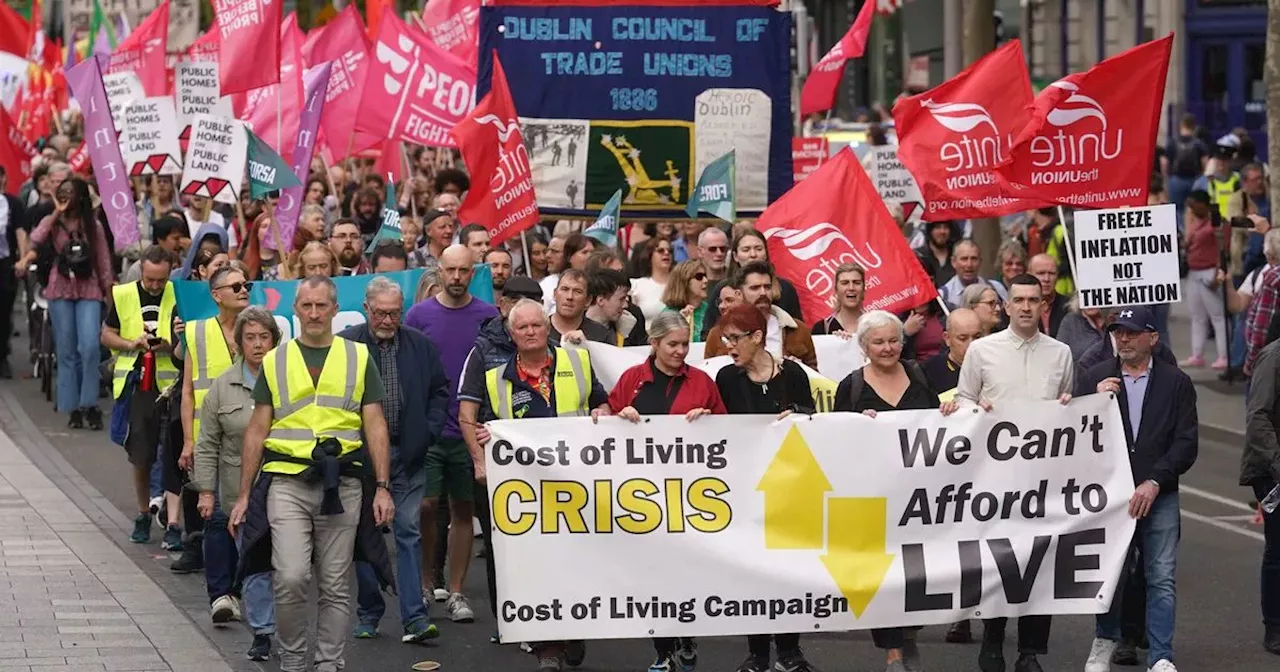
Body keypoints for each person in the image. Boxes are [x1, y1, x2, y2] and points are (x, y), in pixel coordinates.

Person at [228, 275, 395, 672]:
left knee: (336, 584)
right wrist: (244, 494)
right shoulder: (276, 360)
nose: (315, 313)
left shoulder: (357, 357)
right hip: (287, 481)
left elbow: (375, 424)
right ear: (296, 310)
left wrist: (383, 487)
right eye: (307, 306)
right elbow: (257, 430)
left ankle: (328, 663)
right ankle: (292, 660)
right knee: (290, 576)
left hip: (344, 483)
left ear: (335, 310)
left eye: (322, 306)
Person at [463, 298, 611, 672]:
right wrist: (482, 450)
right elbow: (474, 420)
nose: (531, 333)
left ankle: (574, 630)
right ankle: (549, 646)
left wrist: (601, 412)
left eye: (536, 326)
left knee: (575, 560)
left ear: (547, 327)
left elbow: (600, 401)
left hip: (577, 484)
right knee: (538, 563)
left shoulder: (576, 361)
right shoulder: (496, 378)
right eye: (522, 328)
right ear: (512, 334)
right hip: (527, 489)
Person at [946, 274, 1074, 672]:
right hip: (995, 479)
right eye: (1017, 299)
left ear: (1042, 305)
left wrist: (1069, 406)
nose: (1024, 306)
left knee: (1039, 563)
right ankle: (994, 638)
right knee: (1000, 562)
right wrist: (970, 411)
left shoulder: (1061, 353)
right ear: (1005, 306)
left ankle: (1031, 652)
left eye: (1032, 300)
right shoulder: (982, 351)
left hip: (1043, 480)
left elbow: (1066, 405)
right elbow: (964, 397)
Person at [1080, 306, 1199, 672]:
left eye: (1132, 332)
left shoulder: (1175, 382)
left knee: (1160, 575)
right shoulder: (1096, 377)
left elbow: (1185, 442)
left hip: (1158, 495)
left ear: (1153, 337)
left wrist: (1155, 480)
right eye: (1118, 332)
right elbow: (1070, 434)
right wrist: (1091, 401)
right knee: (1111, 574)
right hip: (1112, 498)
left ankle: (1161, 655)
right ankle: (1104, 642)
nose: (1124, 338)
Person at [608, 311, 726, 672]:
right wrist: (620, 414)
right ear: (654, 343)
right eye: (672, 344)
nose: (680, 352)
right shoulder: (632, 379)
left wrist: (708, 419)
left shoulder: (703, 381)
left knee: (685, 569)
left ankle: (687, 636)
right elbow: (603, 423)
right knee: (652, 572)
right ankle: (662, 652)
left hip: (691, 494)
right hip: (642, 494)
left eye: (685, 344)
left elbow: (728, 429)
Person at [343, 277, 450, 643]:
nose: (388, 321)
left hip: (409, 452)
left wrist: (429, 431)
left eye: (394, 313)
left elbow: (440, 391)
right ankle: (369, 613)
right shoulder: (346, 346)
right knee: (365, 534)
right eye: (381, 313)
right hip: (359, 456)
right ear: (366, 309)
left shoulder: (420, 345)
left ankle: (415, 618)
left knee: (408, 531)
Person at [833, 310, 938, 672]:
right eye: (878, 342)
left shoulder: (921, 377)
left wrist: (952, 412)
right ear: (864, 346)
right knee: (882, 573)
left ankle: (908, 634)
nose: (888, 347)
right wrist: (856, 427)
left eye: (893, 340)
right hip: (873, 499)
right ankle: (893, 652)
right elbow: (835, 440)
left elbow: (945, 427)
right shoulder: (852, 386)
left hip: (920, 499)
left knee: (915, 573)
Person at [712, 304, 815, 672]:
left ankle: (789, 651)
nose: (728, 346)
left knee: (787, 571)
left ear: (757, 337)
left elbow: (814, 426)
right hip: (744, 491)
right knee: (753, 572)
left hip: (787, 489)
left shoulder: (795, 376)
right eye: (725, 338)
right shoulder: (726, 379)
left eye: (735, 338)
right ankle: (757, 654)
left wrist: (800, 418)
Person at [404, 245, 499, 623]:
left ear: (473, 272)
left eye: (464, 271)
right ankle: (427, 583)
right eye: (450, 270)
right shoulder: (419, 314)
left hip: (471, 432)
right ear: (439, 271)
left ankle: (457, 591)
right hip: (430, 429)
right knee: (426, 508)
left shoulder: (488, 316)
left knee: (464, 509)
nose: (457, 277)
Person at [191, 306, 279, 661]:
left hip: (286, 487)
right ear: (239, 343)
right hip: (238, 494)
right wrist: (207, 492)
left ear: (275, 340)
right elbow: (207, 443)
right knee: (257, 564)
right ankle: (262, 632)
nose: (258, 345)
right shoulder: (222, 387)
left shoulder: (291, 379)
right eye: (250, 338)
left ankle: (287, 628)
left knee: (289, 570)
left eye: (264, 337)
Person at [15, 176, 115, 427]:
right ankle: (72, 407)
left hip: (89, 289)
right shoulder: (52, 224)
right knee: (67, 350)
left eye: (70, 191)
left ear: (80, 195)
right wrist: (54, 215)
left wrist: (109, 292)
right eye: (62, 191)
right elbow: (36, 239)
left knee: (89, 348)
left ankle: (89, 402)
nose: (64, 195)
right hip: (60, 289)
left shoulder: (94, 226)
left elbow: (103, 260)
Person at [100, 246, 181, 543]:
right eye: (150, 280)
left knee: (173, 453)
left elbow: (189, 337)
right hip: (138, 383)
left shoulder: (179, 293)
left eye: (161, 280)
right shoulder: (123, 295)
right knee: (141, 455)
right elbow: (106, 334)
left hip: (171, 384)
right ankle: (143, 512)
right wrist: (131, 343)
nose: (156, 286)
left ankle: (173, 522)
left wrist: (169, 344)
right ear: (141, 272)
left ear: (171, 271)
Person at [1243, 323, 1280, 656]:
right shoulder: (1273, 357)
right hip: (1272, 471)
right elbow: (1258, 418)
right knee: (1278, 550)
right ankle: (1275, 626)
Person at [705, 262, 818, 368]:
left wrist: (799, 369)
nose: (763, 293)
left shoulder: (798, 329)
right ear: (739, 294)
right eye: (755, 288)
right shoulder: (717, 334)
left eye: (767, 287)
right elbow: (709, 377)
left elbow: (816, 377)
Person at [703, 229, 803, 339]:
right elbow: (708, 333)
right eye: (746, 250)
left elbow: (796, 330)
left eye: (758, 249)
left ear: (766, 253)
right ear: (735, 256)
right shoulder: (722, 289)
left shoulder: (785, 288)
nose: (753, 254)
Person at [1182, 190, 1228, 369]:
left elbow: (1223, 247)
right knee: (1197, 316)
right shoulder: (1195, 221)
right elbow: (1187, 242)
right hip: (1194, 271)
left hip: (1210, 270)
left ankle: (1223, 355)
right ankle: (1197, 354)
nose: (1191, 209)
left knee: (1217, 316)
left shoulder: (1216, 223)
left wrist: (1219, 272)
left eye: (1194, 205)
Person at [0, 164, 27, 379]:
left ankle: (2, 356)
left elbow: (20, 232)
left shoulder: (13, 204)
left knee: (3, 311)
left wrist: (24, 258)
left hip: (5, 263)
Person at [922, 307, 982, 403]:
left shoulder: (993, 364)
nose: (971, 344)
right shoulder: (929, 371)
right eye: (963, 338)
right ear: (947, 338)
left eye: (977, 337)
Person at [548, 269, 612, 345]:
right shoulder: (538, 329)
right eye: (565, 289)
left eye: (577, 292)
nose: (570, 297)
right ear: (555, 294)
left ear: (588, 300)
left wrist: (588, 346)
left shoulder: (602, 336)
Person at [586, 269, 646, 346]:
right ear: (601, 300)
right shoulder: (575, 324)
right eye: (621, 299)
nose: (625, 305)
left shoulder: (632, 323)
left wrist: (623, 337)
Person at [939, 240, 1006, 308]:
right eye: (964, 259)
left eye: (974, 259)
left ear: (980, 262)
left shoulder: (996, 288)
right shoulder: (943, 295)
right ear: (953, 262)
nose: (969, 264)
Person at [629, 237, 674, 325]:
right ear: (650, 255)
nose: (666, 253)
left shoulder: (680, 285)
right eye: (661, 250)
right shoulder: (635, 285)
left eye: (670, 251)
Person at [661, 260, 710, 341]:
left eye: (705, 276)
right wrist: (677, 322)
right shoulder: (667, 315)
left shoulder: (709, 310)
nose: (705, 280)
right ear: (684, 282)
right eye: (699, 277)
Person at [812, 263, 865, 336]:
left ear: (863, 288)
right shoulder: (822, 329)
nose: (851, 288)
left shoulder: (877, 325)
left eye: (857, 283)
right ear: (836, 289)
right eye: (844, 283)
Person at [1027, 254, 1070, 338]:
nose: (1046, 279)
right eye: (1041, 273)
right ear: (1029, 275)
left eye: (1051, 273)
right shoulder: (1020, 307)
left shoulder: (1069, 307)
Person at [412, 209, 456, 275]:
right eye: (442, 227)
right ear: (428, 231)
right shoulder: (415, 258)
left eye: (450, 226)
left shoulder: (457, 256)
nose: (449, 231)